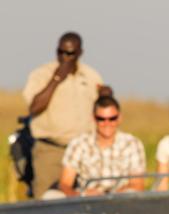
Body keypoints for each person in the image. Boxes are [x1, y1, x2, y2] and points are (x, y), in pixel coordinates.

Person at [22, 31, 112, 199]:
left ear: (79, 53)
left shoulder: (91, 76)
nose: (64, 57)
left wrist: (106, 96)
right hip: (51, 150)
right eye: (60, 52)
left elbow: (104, 112)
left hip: (84, 151)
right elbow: (34, 107)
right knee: (46, 201)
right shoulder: (41, 74)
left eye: (69, 53)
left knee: (87, 200)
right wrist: (56, 79)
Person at [58, 96, 146, 197]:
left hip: (121, 201)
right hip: (86, 201)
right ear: (93, 118)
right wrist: (83, 194)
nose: (107, 123)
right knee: (51, 196)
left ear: (119, 118)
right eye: (101, 119)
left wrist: (109, 196)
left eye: (112, 118)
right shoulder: (78, 144)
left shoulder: (132, 143)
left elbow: (137, 185)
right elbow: (65, 184)